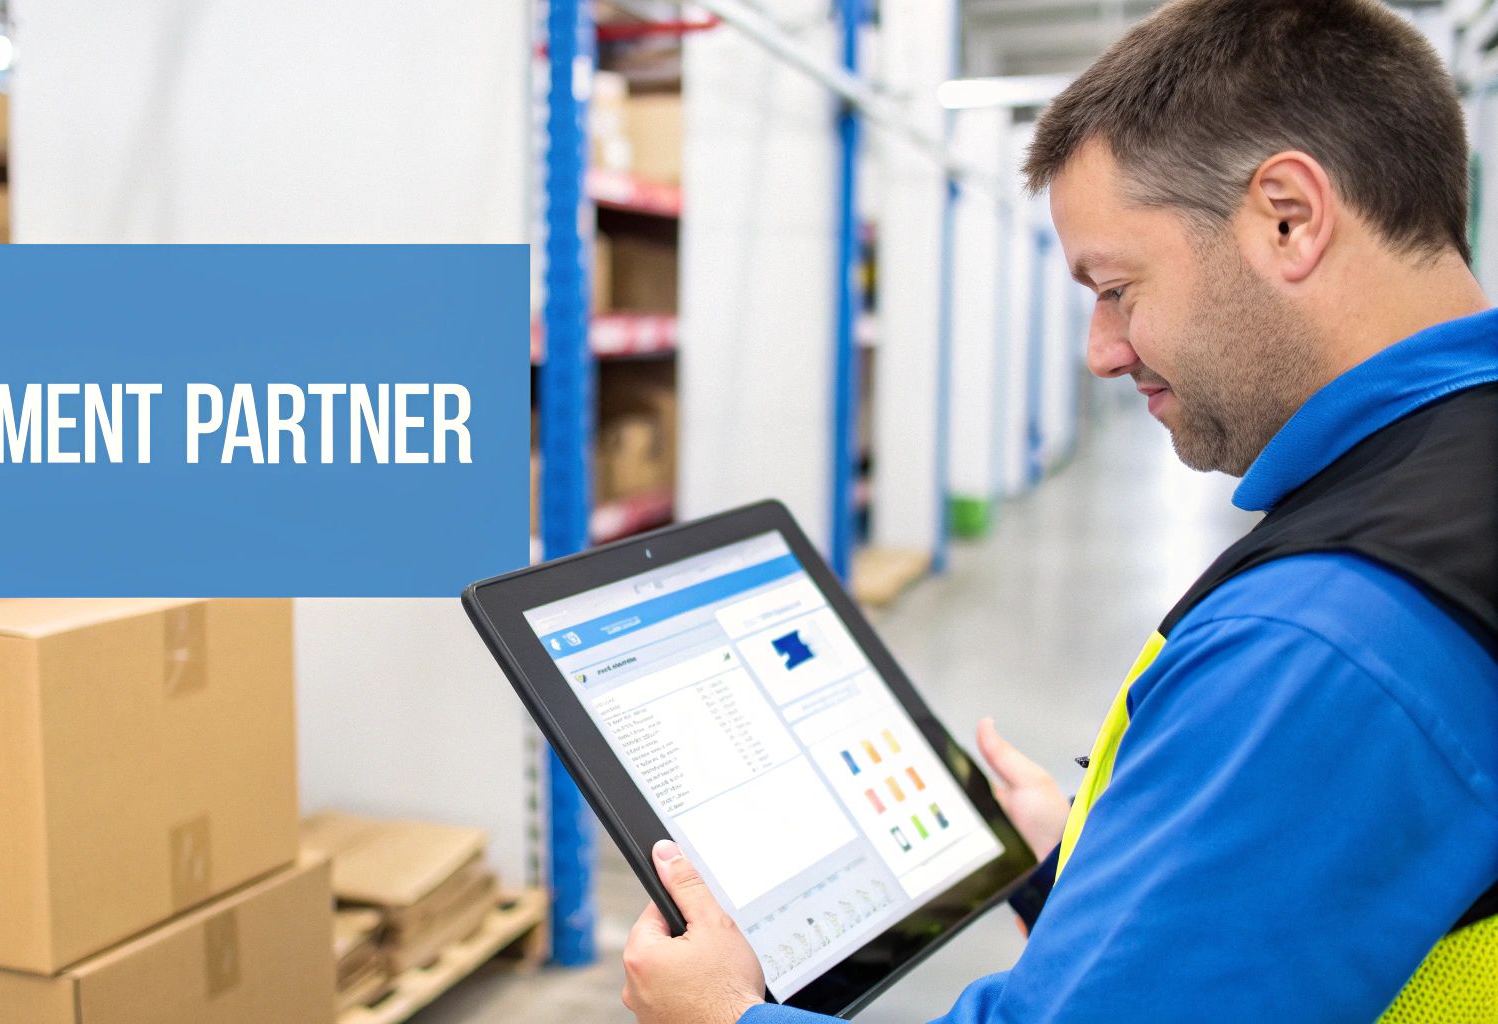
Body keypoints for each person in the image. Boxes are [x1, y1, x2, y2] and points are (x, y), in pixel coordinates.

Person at [618, 0, 1498, 1020]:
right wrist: (1107, 861)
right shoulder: (1446, 474)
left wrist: (727, 1015)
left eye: (1115, 286)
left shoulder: (1323, 641)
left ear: (1287, 218)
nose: (1101, 349)